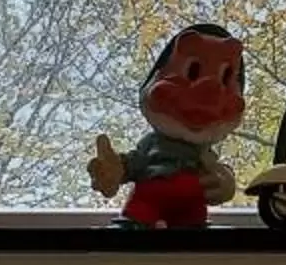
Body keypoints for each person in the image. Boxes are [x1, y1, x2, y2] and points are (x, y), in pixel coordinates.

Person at [88, 23, 247, 230]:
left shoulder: (203, 156)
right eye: (192, 71)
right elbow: (135, 162)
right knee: (132, 228)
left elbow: (218, 172)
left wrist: (224, 183)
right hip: (145, 206)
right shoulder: (151, 145)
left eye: (225, 77)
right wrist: (115, 170)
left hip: (191, 211)